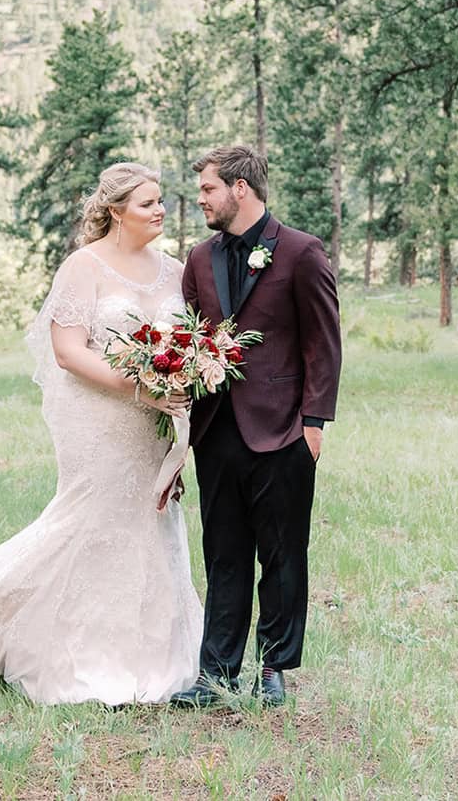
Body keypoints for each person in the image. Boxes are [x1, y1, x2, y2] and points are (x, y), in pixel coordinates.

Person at [0, 163, 201, 705]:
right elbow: (68, 352)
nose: (160, 210)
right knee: (90, 520)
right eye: (148, 203)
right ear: (116, 211)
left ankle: (151, 655)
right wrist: (141, 389)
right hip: (101, 420)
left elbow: (191, 345)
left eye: (160, 201)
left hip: (155, 426)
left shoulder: (175, 270)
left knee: (151, 520)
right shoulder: (84, 267)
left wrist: (177, 389)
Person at [171, 145, 341, 709]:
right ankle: (216, 674)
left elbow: (323, 342)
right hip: (216, 429)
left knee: (282, 554)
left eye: (208, 189)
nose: (201, 199)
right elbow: (192, 339)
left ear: (239, 188)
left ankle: (274, 668)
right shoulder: (199, 259)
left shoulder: (301, 251)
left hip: (284, 430)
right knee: (223, 554)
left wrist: (313, 424)